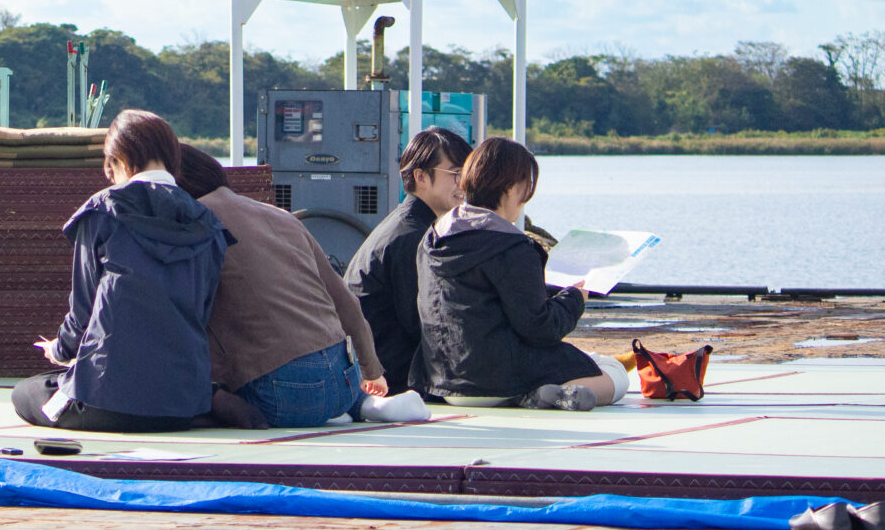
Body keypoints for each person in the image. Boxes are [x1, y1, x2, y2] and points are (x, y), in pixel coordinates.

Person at [177, 145, 428, 428]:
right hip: (342, 378)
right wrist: (372, 371)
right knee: (324, 380)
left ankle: (324, 408)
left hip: (280, 392)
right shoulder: (280, 215)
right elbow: (346, 302)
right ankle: (363, 404)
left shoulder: (195, 223)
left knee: (202, 397)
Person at [12, 111, 230, 432]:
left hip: (106, 397)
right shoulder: (209, 224)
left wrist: (59, 350)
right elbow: (204, 312)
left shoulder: (103, 210)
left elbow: (82, 311)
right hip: (182, 402)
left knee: (25, 393)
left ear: (119, 160)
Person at [414, 137, 628, 410]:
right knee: (615, 373)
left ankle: (536, 394)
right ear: (511, 188)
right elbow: (540, 329)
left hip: (444, 381)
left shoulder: (432, 239)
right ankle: (538, 394)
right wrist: (575, 298)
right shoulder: (512, 247)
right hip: (502, 378)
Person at [345, 128, 474, 397]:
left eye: (467, 174)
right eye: (455, 174)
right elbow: (425, 323)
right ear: (420, 177)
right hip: (393, 377)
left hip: (381, 366)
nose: (464, 184)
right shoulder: (411, 236)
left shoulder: (412, 224)